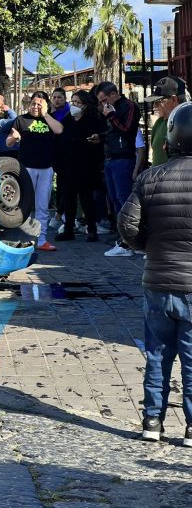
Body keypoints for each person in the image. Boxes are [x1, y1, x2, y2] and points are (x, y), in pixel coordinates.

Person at [117, 101, 192, 447]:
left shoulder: (150, 177)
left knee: (157, 355)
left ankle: (152, 421)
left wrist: (147, 246)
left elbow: (127, 225)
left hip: (158, 281)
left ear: (169, 141)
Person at [6, 91, 64, 251]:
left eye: (39, 104)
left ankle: (41, 239)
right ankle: (20, 238)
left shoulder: (50, 119)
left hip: (46, 168)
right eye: (33, 103)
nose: (35, 106)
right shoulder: (21, 120)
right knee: (23, 204)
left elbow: (59, 130)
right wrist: (14, 138)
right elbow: (8, 142)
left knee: (43, 206)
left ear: (46, 105)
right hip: (27, 167)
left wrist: (45, 114)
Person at [92, 81, 140, 257]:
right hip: (110, 158)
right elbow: (113, 132)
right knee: (114, 199)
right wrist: (101, 137)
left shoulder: (129, 106)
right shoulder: (110, 110)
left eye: (105, 100)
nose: (103, 104)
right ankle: (123, 238)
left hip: (123, 158)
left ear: (113, 94)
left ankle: (130, 241)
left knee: (124, 199)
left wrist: (111, 116)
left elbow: (127, 131)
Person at [54, 90, 106, 242]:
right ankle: (68, 229)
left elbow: (104, 136)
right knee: (68, 198)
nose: (74, 105)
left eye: (77, 102)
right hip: (68, 166)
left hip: (87, 165)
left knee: (86, 199)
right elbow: (58, 141)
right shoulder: (67, 120)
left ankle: (91, 229)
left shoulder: (94, 119)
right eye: (73, 102)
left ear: (85, 105)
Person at [143, 76, 187, 171]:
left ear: (174, 100)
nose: (154, 106)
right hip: (159, 182)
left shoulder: (188, 124)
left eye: (158, 102)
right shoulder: (159, 123)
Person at [48, 87, 73, 230]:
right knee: (60, 185)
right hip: (55, 154)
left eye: (59, 97)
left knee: (66, 185)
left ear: (65, 99)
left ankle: (60, 214)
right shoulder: (51, 113)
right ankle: (60, 211)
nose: (56, 100)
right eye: (54, 97)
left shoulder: (69, 113)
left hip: (68, 154)